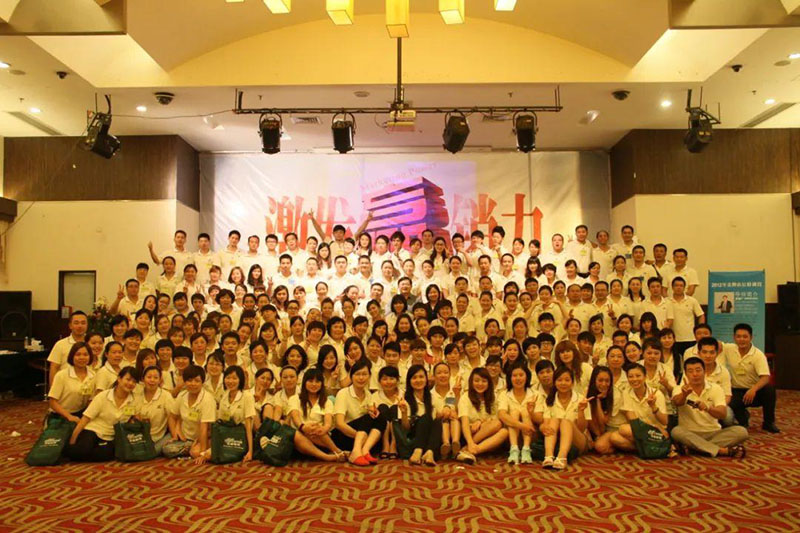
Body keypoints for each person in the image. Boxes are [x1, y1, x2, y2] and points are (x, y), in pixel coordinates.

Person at [671, 357, 748, 458]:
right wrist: (684, 394)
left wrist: (708, 408)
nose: (695, 374)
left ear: (704, 372)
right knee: (676, 432)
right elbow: (676, 402)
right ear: (685, 374)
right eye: (690, 371)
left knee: (741, 432)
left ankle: (694, 448)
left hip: (713, 433)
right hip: (689, 432)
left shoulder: (716, 389)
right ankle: (721, 451)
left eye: (698, 370)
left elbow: (723, 414)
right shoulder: (679, 389)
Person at [65, 367, 138, 462]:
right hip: (93, 430)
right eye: (128, 379)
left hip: (111, 436)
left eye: (134, 382)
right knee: (81, 451)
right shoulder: (103, 396)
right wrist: (72, 440)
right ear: (119, 379)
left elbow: (134, 418)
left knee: (104, 455)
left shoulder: (134, 401)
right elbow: (85, 419)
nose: (130, 383)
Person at [722, 323, 779, 433]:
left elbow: (765, 377)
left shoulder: (758, 355)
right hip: (737, 390)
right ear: (734, 337)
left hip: (755, 392)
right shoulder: (729, 348)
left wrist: (753, 389)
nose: (741, 339)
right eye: (738, 336)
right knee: (728, 406)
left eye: (745, 336)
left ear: (751, 337)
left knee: (769, 390)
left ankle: (768, 422)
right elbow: (716, 345)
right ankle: (743, 417)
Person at [534, 367, 591, 470]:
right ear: (554, 382)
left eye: (567, 380)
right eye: (559, 380)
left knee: (565, 422)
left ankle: (562, 457)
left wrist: (581, 411)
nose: (563, 383)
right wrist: (543, 427)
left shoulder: (581, 399)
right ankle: (549, 456)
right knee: (554, 420)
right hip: (556, 440)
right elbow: (546, 423)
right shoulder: (549, 400)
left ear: (572, 383)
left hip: (578, 441)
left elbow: (581, 429)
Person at [333, 359, 387, 466]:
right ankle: (356, 452)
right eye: (357, 374)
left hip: (360, 437)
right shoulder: (343, 393)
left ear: (369, 376)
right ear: (351, 377)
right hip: (343, 435)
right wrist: (360, 437)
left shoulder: (368, 395)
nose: (361, 378)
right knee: (368, 417)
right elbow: (339, 423)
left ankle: (365, 451)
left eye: (364, 374)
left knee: (380, 416)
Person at [164, 365, 218, 464]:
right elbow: (172, 416)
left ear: (202, 382)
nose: (193, 384)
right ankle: (191, 450)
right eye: (189, 380)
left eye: (197, 381)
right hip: (184, 438)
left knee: (195, 453)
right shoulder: (182, 395)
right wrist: (174, 434)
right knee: (165, 448)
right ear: (185, 382)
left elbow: (204, 427)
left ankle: (199, 450)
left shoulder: (207, 399)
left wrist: (202, 453)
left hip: (203, 438)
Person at [457, 367, 508, 464]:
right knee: (496, 424)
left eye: (484, 381)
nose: (480, 384)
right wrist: (470, 441)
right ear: (471, 382)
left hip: (488, 435)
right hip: (469, 433)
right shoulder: (465, 397)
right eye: (476, 381)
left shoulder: (492, 397)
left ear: (489, 383)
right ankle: (469, 446)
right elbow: (464, 423)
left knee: (504, 431)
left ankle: (470, 450)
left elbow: (496, 419)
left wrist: (480, 422)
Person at [396, 365, 442, 465]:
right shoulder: (404, 398)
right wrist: (404, 412)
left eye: (421, 377)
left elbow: (440, 415)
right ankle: (418, 451)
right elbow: (405, 427)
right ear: (409, 381)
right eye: (414, 378)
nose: (418, 380)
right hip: (413, 437)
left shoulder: (432, 397)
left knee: (437, 422)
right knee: (426, 417)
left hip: (430, 438)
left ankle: (429, 453)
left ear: (426, 379)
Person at [498, 364, 538, 464]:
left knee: (525, 412)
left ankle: (526, 449)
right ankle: (514, 449)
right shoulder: (504, 394)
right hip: (511, 436)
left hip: (531, 434)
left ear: (527, 376)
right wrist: (522, 426)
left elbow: (540, 418)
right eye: (514, 375)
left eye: (521, 375)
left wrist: (531, 413)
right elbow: (502, 415)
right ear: (510, 378)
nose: (518, 378)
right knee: (514, 413)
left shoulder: (535, 394)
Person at [48, 342, 96, 423]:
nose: (82, 357)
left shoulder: (93, 375)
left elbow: (90, 401)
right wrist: (69, 416)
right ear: (72, 356)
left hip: (82, 414)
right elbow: (52, 402)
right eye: (78, 354)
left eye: (85, 355)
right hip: (60, 415)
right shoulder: (62, 375)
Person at [217, 365, 255, 463]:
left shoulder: (247, 396)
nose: (230, 381)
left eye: (234, 378)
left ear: (240, 380)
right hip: (226, 435)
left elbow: (249, 426)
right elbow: (220, 421)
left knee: (214, 455)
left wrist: (250, 451)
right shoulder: (224, 395)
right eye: (228, 378)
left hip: (240, 437)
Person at [135, 365, 176, 455]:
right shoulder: (137, 394)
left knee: (152, 452)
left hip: (159, 436)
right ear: (143, 379)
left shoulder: (166, 396)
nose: (152, 380)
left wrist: (174, 436)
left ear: (160, 380)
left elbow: (172, 417)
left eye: (155, 377)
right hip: (140, 437)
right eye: (149, 377)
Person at [47, 311, 88, 385]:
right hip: (65, 386)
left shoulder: (91, 344)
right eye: (76, 323)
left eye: (83, 323)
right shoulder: (60, 344)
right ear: (70, 326)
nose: (80, 326)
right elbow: (54, 368)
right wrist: (53, 389)